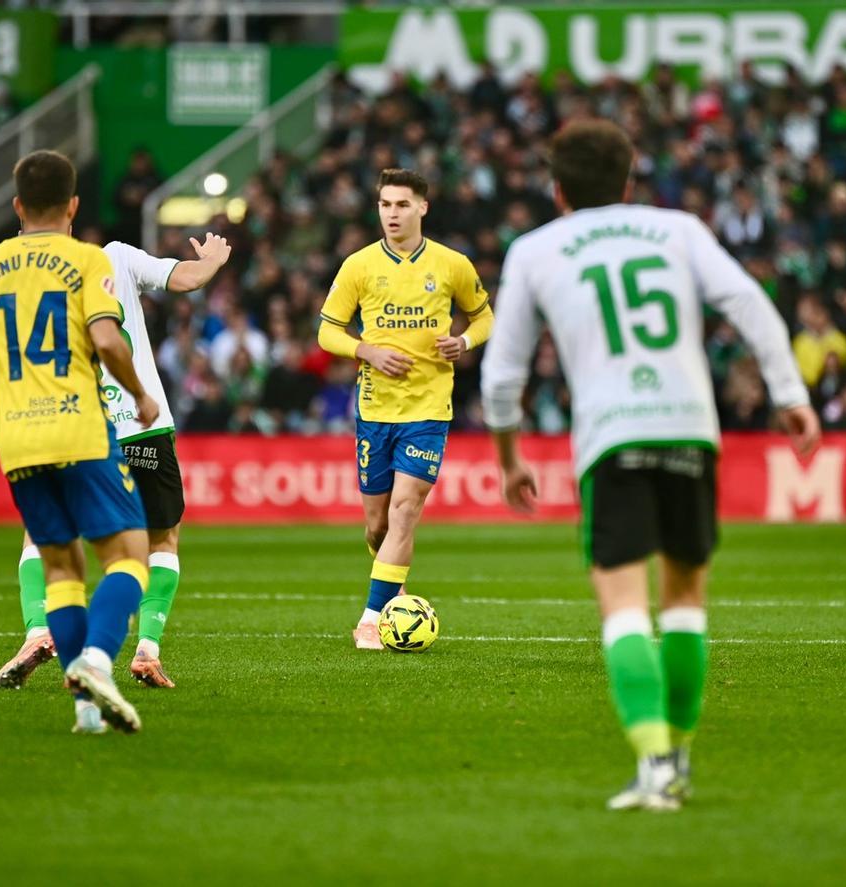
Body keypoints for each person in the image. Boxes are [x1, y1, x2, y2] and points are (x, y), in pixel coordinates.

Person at [480, 121, 820, 811]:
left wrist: (511, 457)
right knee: (687, 600)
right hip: (692, 427)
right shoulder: (679, 229)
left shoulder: (536, 249)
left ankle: (653, 762)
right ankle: (681, 760)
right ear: (630, 181)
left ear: (558, 189)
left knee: (624, 602)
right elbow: (751, 304)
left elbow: (501, 374)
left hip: (612, 434)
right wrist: (790, 396)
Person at [0, 234, 231, 690]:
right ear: (70, 209)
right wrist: (210, 262)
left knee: (45, 536)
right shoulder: (113, 259)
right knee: (160, 541)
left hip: (75, 433)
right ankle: (146, 649)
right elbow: (185, 280)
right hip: (142, 428)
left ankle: (38, 630)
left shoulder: (13, 289)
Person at [0, 149, 160, 735]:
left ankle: (84, 710)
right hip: (79, 429)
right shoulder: (85, 260)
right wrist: (140, 394)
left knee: (60, 570)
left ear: (17, 205)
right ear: (74, 205)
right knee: (129, 555)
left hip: (17, 442)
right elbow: (107, 339)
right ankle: (98, 660)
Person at [316, 168, 494, 649]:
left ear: (422, 208)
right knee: (377, 525)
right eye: (384, 205)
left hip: (429, 409)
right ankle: (394, 588)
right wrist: (366, 351)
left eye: (401, 205)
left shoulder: (452, 264)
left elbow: (484, 317)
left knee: (405, 510)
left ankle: (371, 618)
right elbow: (327, 331)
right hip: (374, 409)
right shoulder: (358, 266)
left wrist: (464, 340)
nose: (391, 214)